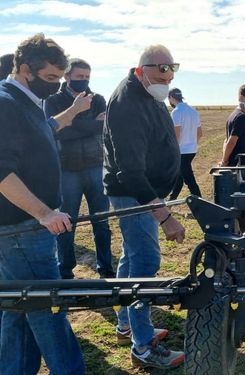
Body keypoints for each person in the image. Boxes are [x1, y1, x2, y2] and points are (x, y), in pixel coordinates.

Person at [0, 33, 88, 375]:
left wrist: (74, 111)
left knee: (18, 309)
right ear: (25, 69)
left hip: (25, 229)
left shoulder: (24, 101)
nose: (55, 85)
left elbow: (47, 128)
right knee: (49, 308)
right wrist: (44, 212)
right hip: (22, 228)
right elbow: (2, 171)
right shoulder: (6, 104)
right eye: (51, 78)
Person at [103, 44, 185, 369]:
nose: (168, 74)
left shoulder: (149, 93)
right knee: (144, 265)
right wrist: (164, 216)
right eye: (161, 68)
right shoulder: (127, 103)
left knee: (131, 257)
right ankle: (143, 345)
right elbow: (132, 174)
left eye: (172, 67)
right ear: (140, 70)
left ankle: (127, 325)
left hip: (145, 192)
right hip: (135, 195)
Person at [45, 58, 114, 279]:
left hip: (95, 166)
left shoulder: (99, 99)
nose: (84, 81)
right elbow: (58, 131)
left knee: (101, 222)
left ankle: (106, 268)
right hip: (67, 170)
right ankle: (65, 270)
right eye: (79, 77)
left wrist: (72, 123)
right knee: (66, 223)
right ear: (67, 76)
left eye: (87, 77)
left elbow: (104, 127)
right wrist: (90, 123)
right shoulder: (54, 100)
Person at [167, 87, 202, 200]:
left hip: (181, 152)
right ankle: (170, 203)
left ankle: (202, 206)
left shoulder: (176, 112)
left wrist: (174, 151)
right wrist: (192, 144)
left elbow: (177, 134)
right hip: (192, 150)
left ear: (171, 98)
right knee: (179, 178)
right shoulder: (193, 111)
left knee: (189, 180)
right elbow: (200, 133)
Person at [219, 84, 245, 167]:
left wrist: (225, 159)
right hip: (240, 162)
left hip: (234, 161)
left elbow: (226, 140)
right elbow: (231, 141)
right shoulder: (241, 117)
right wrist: (224, 161)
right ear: (241, 98)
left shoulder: (233, 114)